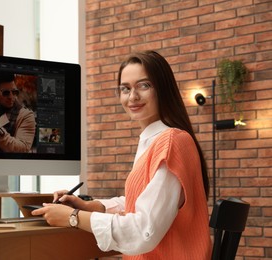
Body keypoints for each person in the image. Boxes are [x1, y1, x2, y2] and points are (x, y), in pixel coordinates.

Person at [32, 51, 212, 259]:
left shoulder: (171, 142)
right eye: (125, 89)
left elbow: (143, 231)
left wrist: (74, 217)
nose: (133, 97)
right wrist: (92, 206)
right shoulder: (154, 140)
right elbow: (142, 203)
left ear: (163, 88)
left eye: (144, 85)